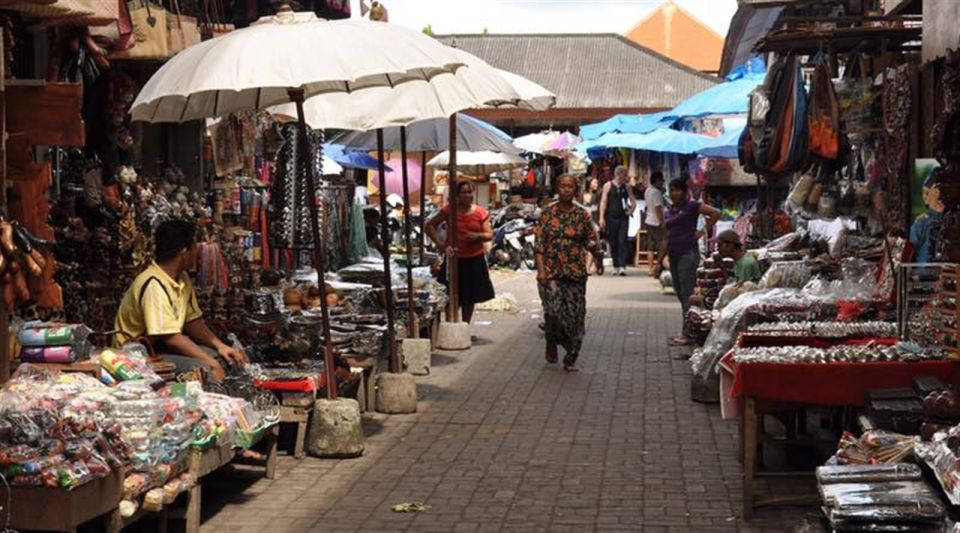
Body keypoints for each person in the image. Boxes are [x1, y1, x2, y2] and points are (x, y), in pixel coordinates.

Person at [114, 220, 248, 381]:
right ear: (184, 251)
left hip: (161, 347)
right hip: (137, 355)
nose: (197, 252)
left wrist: (221, 346)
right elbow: (171, 337)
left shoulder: (181, 278)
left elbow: (192, 321)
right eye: (195, 246)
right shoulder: (154, 285)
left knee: (225, 359)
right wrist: (211, 363)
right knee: (205, 370)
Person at [535, 174, 604, 372]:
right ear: (558, 188)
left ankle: (571, 357)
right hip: (552, 272)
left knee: (576, 316)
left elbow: (590, 240)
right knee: (554, 313)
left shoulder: (582, 215)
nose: (566, 190)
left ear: (575, 190)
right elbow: (539, 246)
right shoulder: (547, 213)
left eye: (570, 187)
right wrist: (541, 271)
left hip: (575, 273)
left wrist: (597, 256)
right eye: (563, 186)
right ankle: (551, 339)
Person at [653, 178, 721, 346]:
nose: (674, 193)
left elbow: (715, 212)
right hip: (674, 255)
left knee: (687, 294)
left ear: (684, 192)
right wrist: (658, 261)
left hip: (688, 254)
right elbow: (665, 238)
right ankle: (690, 327)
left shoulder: (691, 206)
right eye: (672, 190)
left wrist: (702, 230)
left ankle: (688, 333)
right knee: (680, 292)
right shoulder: (669, 211)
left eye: (678, 190)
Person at [425, 180, 495, 323]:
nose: (468, 195)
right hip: (453, 259)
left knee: (470, 296)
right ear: (457, 195)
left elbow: (489, 235)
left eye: (470, 192)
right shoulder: (448, 210)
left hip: (474, 259)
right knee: (450, 294)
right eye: (464, 192)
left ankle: (465, 326)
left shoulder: (481, 212)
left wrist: (477, 236)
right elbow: (429, 225)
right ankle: (451, 324)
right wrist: (440, 245)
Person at [599, 165, 636, 276]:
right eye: (625, 174)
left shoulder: (627, 187)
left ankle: (622, 265)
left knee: (622, 240)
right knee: (613, 241)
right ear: (618, 174)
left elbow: (633, 201)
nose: (626, 177)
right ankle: (615, 265)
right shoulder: (608, 185)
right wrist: (601, 217)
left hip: (623, 217)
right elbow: (603, 201)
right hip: (611, 217)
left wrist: (630, 211)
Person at [643, 172, 665, 275]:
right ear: (657, 181)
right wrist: (662, 222)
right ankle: (658, 266)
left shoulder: (647, 190)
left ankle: (650, 268)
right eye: (662, 181)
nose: (663, 183)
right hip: (656, 221)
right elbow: (658, 208)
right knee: (662, 243)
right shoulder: (656, 192)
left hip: (648, 219)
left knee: (651, 245)